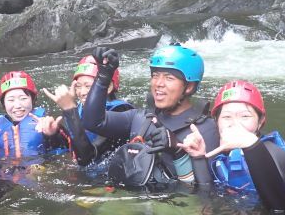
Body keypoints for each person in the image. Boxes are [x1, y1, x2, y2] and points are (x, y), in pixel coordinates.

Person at [81, 43, 220, 185]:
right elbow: (92, 122)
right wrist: (103, 78)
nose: (158, 83)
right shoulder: (141, 117)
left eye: (169, 78)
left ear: (189, 87)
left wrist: (177, 151)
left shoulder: (206, 129)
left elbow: (206, 194)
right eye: (155, 75)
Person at [178, 80, 285, 211]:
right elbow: (206, 195)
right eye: (227, 117)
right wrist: (198, 158)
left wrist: (251, 146)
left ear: (260, 121)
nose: (235, 124)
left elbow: (280, 207)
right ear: (216, 121)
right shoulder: (220, 155)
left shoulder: (273, 152)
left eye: (245, 116)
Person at [43, 55, 135, 166]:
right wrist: (54, 134)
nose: (82, 92)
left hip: (106, 177)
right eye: (78, 86)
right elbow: (72, 147)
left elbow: (89, 159)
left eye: (88, 86)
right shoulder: (81, 108)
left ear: (108, 87)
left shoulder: (120, 112)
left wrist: (69, 110)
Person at [0, 71, 69, 158]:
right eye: (11, 100)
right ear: (3, 103)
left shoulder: (45, 123)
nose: (17, 105)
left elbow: (67, 150)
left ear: (33, 100)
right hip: (5, 174)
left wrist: (52, 135)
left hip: (37, 172)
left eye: (23, 98)